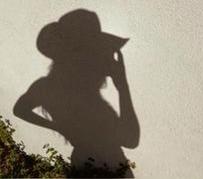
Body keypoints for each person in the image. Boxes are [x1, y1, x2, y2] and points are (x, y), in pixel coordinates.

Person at [13, 9, 140, 177]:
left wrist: (56, 126)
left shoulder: (46, 88)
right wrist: (122, 86)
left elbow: (20, 109)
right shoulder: (61, 91)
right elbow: (130, 140)